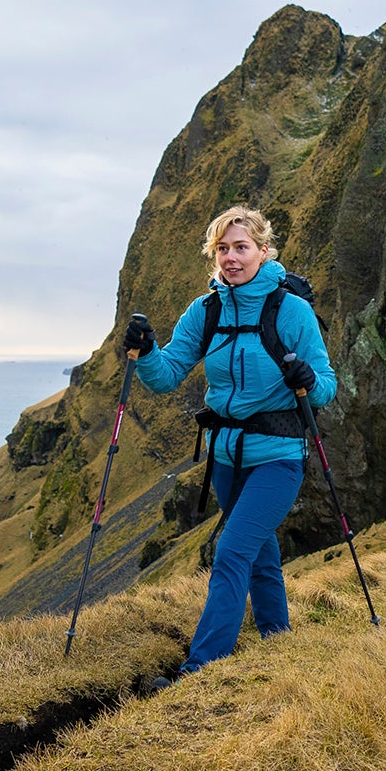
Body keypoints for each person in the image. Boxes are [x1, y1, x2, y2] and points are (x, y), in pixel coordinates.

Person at [121, 205, 337, 673]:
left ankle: (200, 669)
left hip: (278, 457)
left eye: (241, 247)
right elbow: (166, 376)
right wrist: (147, 350)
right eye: (223, 248)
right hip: (226, 459)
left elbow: (325, 386)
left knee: (232, 550)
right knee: (258, 554)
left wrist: (306, 376)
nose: (231, 258)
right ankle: (279, 644)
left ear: (263, 250)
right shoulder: (206, 310)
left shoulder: (291, 310)